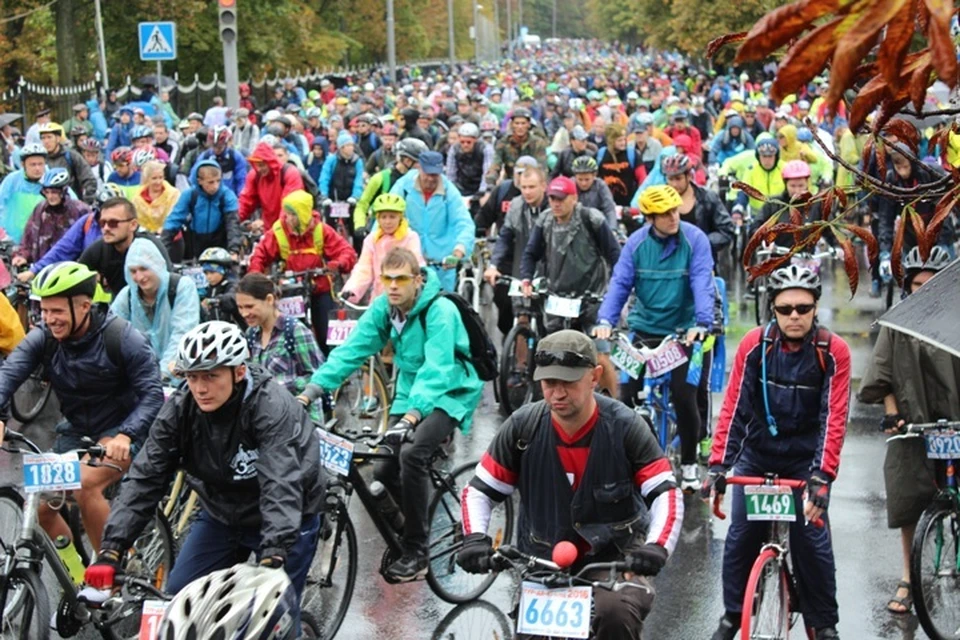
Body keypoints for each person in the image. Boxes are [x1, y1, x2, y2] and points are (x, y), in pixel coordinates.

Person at [84, 321, 324, 636]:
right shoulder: (180, 410)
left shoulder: (269, 406)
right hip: (222, 513)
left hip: (288, 514)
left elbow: (281, 481)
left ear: (238, 373)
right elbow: (145, 478)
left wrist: (273, 554)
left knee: (267, 619)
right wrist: (111, 549)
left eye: (211, 376)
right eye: (193, 377)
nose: (200, 388)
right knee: (178, 603)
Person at [457, 330, 683, 640]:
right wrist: (475, 539)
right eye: (550, 384)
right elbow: (478, 491)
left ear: (594, 376)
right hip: (541, 559)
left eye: (568, 383)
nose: (558, 394)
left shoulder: (626, 426)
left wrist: (657, 547)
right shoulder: (523, 427)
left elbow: (664, 492)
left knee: (614, 613)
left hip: (615, 559)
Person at [298, 247, 484, 581]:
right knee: (383, 464)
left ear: (417, 280)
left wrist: (412, 417)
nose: (393, 286)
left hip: (452, 389)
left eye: (401, 279)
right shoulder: (385, 308)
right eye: (387, 279)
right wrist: (311, 391)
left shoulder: (439, 311)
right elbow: (351, 351)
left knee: (412, 455)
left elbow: (438, 369)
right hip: (412, 389)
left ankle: (417, 551)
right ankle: (407, 525)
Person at [703, 265, 850, 640]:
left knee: (812, 544)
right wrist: (719, 466)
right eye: (786, 309)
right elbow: (734, 407)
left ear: (816, 308)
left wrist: (823, 477)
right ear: (773, 309)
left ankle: (824, 623)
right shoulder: (755, 344)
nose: (795, 316)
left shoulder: (832, 351)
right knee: (740, 538)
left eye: (803, 308)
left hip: (805, 462)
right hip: (758, 455)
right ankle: (733, 615)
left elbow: (834, 418)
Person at [0, 262, 163, 552]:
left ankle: (108, 578)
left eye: (57, 311)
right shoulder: (44, 337)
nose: (49, 319)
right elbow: (8, 375)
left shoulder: (122, 337)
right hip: (76, 430)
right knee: (38, 504)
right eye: (44, 310)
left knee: (85, 483)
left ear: (85, 306)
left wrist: (125, 436)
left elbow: (152, 394)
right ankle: (75, 577)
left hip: (124, 429)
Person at [858, 246, 959, 615]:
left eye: (933, 285)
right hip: (914, 425)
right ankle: (908, 576)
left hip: (957, 422)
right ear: (907, 286)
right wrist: (892, 414)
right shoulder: (897, 324)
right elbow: (879, 378)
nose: (925, 292)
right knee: (907, 495)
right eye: (918, 285)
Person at [595, 184, 716, 491]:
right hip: (645, 328)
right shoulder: (635, 244)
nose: (672, 217)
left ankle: (689, 463)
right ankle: (630, 459)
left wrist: (702, 322)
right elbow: (620, 284)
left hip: (686, 330)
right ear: (650, 218)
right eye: (664, 213)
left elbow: (703, 280)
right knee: (628, 395)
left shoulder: (695, 239)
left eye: (675, 210)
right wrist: (606, 320)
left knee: (684, 394)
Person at [520, 176, 621, 393]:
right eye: (552, 199)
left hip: (592, 298)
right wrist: (527, 279)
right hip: (557, 300)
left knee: (600, 356)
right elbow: (530, 254)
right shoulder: (545, 221)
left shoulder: (592, 219)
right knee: (555, 357)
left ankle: (613, 405)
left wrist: (615, 288)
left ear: (574, 198)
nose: (556, 203)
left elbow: (615, 255)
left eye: (561, 199)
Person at [248, 190, 357, 353]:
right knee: (287, 333)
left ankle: (330, 368)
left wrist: (337, 264)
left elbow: (347, 252)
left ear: (304, 214)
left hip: (320, 288)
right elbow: (259, 255)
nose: (289, 218)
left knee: (326, 334)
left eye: (294, 214)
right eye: (287, 213)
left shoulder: (321, 230)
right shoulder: (278, 232)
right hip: (290, 291)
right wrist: (257, 277)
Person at [111, 237, 200, 382]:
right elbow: (113, 334)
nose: (139, 277)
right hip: (141, 380)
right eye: (133, 271)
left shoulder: (181, 287)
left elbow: (183, 332)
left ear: (157, 265)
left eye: (144, 269)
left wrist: (162, 373)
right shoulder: (127, 295)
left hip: (180, 377)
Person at [237, 273, 325, 415]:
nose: (244, 313)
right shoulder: (251, 334)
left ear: (269, 300)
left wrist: (278, 387)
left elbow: (318, 376)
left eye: (249, 306)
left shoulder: (295, 331)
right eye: (240, 307)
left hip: (299, 418)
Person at [389, 150, 475, 292]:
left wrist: (459, 251)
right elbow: (387, 215)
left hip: (441, 265)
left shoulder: (449, 191)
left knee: (442, 307)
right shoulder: (403, 186)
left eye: (435, 174)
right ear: (419, 168)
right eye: (427, 173)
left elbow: (463, 222)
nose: (430, 179)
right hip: (408, 261)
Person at [483, 164, 548, 338]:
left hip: (551, 269)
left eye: (532, 187)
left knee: (548, 325)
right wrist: (494, 264)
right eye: (524, 187)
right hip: (522, 267)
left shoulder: (553, 206)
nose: (527, 192)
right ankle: (519, 363)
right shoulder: (516, 205)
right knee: (521, 319)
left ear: (543, 185)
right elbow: (504, 236)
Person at [341, 193, 425, 301]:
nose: (387, 222)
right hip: (379, 299)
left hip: (405, 299)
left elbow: (417, 266)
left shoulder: (410, 237)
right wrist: (351, 290)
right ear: (378, 219)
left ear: (400, 218)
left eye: (392, 217)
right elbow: (363, 268)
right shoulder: (372, 239)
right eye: (383, 217)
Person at [162, 160, 241, 262]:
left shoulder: (227, 195)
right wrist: (163, 245)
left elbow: (232, 224)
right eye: (211, 182)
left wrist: (234, 251)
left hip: (222, 243)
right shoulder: (190, 195)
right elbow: (174, 219)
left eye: (218, 181)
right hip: (197, 243)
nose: (216, 186)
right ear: (199, 181)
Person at [13, 168, 91, 269]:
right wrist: (22, 255)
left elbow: (90, 243)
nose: (50, 196)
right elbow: (28, 238)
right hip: (40, 269)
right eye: (47, 192)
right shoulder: (40, 209)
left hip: (70, 269)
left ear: (63, 190)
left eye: (54, 192)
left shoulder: (80, 210)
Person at [662, 154, 735, 260]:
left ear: (689, 176)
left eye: (678, 179)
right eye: (670, 179)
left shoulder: (708, 198)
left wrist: (701, 243)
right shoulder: (660, 200)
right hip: (669, 264)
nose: (674, 184)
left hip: (702, 261)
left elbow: (727, 230)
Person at [355, 138, 427, 234]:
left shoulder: (420, 180)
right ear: (407, 160)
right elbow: (362, 205)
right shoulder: (380, 178)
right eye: (418, 163)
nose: (422, 167)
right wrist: (359, 226)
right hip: (381, 233)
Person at [238, 142, 304, 233]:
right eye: (256, 165)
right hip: (268, 229)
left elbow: (288, 208)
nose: (259, 169)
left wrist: (276, 230)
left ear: (270, 162)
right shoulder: (255, 176)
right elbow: (245, 201)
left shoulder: (290, 174)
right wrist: (233, 222)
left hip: (291, 229)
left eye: (262, 165)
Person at [486, 108, 548, 188]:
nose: (520, 127)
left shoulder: (538, 143)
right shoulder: (503, 143)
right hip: (511, 183)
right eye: (517, 123)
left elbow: (542, 167)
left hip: (532, 183)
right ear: (512, 124)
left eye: (523, 123)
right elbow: (495, 164)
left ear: (528, 124)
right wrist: (491, 181)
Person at [0, 145, 50, 243]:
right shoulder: (12, 180)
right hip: (12, 240)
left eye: (40, 164)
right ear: (23, 164)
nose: (37, 168)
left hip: (43, 241)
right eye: (33, 164)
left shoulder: (51, 179)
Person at [39, 121, 97, 205]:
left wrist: (86, 203)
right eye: (43, 138)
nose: (46, 141)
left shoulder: (71, 155)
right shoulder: (41, 159)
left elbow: (89, 179)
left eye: (49, 137)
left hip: (71, 206)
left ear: (58, 138)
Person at [188, 126, 249, 197]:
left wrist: (239, 199)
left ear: (226, 144)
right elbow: (193, 178)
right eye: (213, 146)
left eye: (220, 147)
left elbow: (242, 180)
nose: (216, 149)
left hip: (230, 198)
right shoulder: (205, 156)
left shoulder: (236, 156)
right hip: (208, 197)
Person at [196, 247, 243, 326]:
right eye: (206, 273)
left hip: (234, 330)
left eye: (212, 272)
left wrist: (216, 301)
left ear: (223, 270)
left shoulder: (233, 284)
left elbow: (232, 298)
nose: (209, 277)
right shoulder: (208, 288)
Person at [130, 160, 180, 234]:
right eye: (154, 178)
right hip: (145, 237)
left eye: (161, 177)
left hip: (169, 236)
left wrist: (163, 230)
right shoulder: (137, 197)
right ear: (147, 179)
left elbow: (174, 217)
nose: (158, 182)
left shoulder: (173, 194)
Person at [446, 122, 492, 198]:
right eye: (462, 142)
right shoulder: (454, 149)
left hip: (479, 186)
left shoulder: (486, 149)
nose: (465, 145)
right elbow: (450, 174)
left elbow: (487, 174)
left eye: (469, 142)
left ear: (476, 140)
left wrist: (481, 193)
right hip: (461, 186)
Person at [571, 155, 618, 229]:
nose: (583, 183)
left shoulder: (600, 186)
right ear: (574, 176)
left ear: (594, 176)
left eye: (587, 179)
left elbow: (609, 209)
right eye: (580, 179)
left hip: (596, 225)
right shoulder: (569, 185)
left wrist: (612, 229)